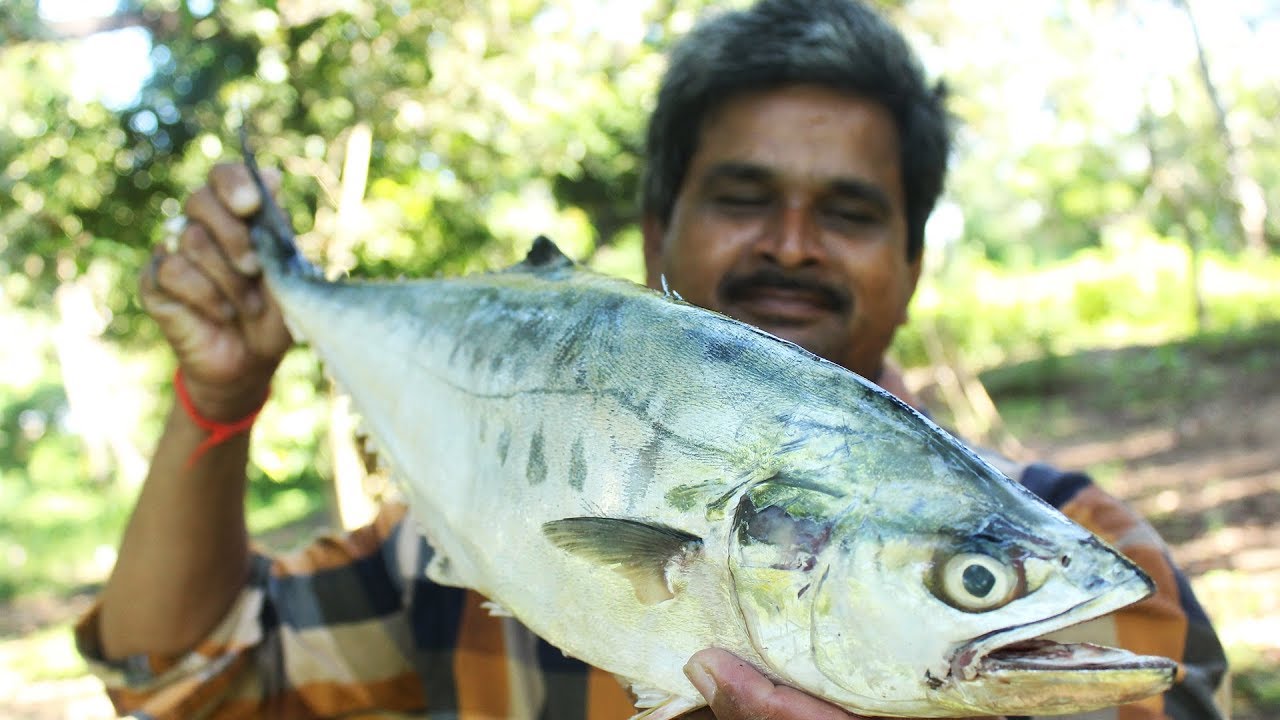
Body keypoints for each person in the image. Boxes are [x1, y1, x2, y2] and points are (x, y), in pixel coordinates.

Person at [77, 0, 1228, 718]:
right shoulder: (463, 554)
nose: (789, 243)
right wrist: (215, 404)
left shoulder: (1103, 565)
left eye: (847, 211)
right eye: (741, 197)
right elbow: (184, 685)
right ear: (652, 235)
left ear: (911, 263)